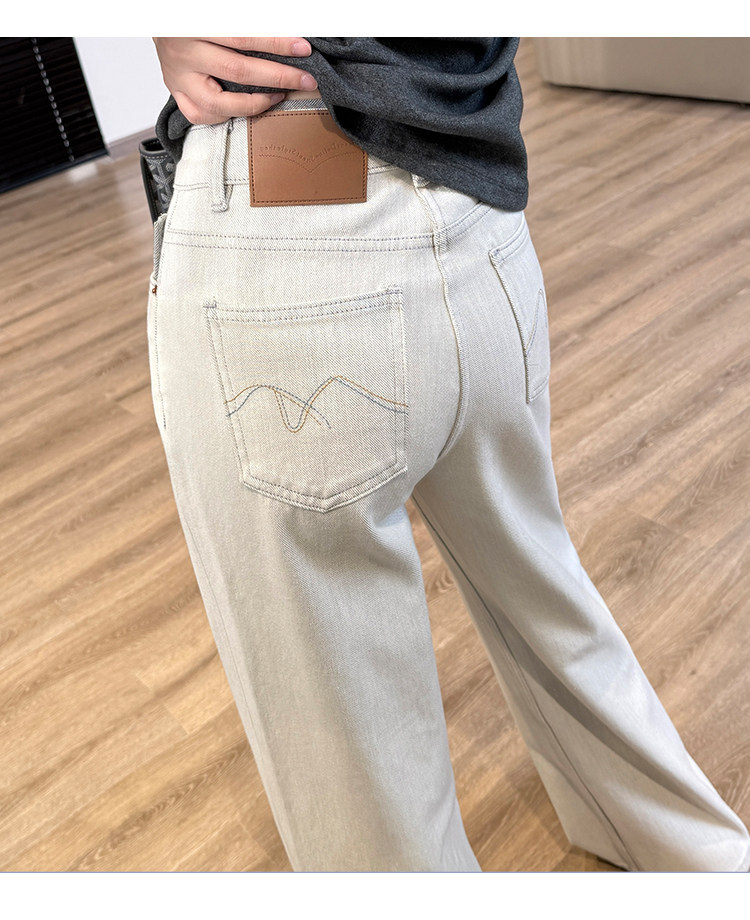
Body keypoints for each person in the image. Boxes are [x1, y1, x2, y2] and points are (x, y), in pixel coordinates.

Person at [146, 37, 750, 872]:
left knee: (341, 715)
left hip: (287, 219)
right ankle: (708, 865)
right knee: (540, 585)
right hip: (481, 207)